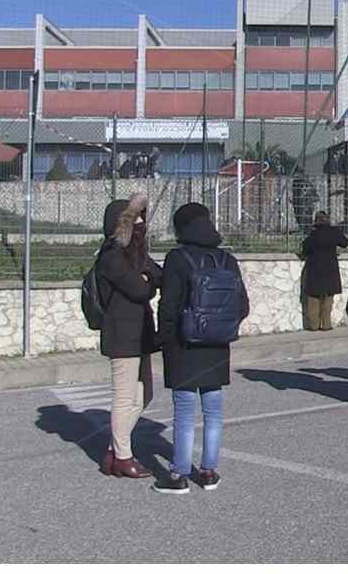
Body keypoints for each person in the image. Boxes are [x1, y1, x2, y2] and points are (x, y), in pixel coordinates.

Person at [154, 203, 250, 494]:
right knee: (214, 410)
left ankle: (179, 474)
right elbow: (242, 306)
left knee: (184, 411)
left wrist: (165, 339)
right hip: (217, 344)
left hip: (184, 345)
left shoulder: (177, 258)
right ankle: (208, 471)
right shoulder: (226, 259)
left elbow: (168, 306)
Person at [96, 192, 162, 479]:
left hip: (141, 335)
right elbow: (139, 288)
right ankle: (123, 456)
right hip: (122, 336)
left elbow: (158, 275)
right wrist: (147, 282)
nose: (140, 224)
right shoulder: (111, 256)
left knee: (143, 395)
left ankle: (114, 448)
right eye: (135, 219)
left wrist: (148, 279)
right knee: (125, 398)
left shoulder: (135, 255)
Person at [300, 211, 348, 331]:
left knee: (313, 299)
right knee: (328, 298)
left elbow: (304, 249)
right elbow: (344, 243)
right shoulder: (334, 232)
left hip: (314, 270)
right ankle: (326, 324)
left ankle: (314, 325)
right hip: (330, 269)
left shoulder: (313, 234)